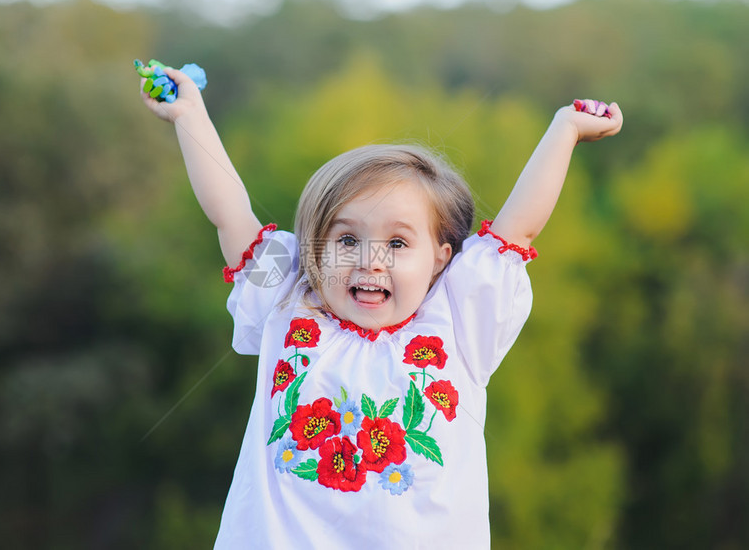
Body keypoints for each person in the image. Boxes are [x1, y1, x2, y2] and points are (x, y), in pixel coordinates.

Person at [140, 68, 622, 548]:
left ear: (440, 257)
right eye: (347, 238)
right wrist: (190, 114)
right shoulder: (288, 298)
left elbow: (520, 228)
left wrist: (565, 130)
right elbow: (231, 214)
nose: (370, 260)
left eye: (397, 242)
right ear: (314, 249)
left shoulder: (460, 321)